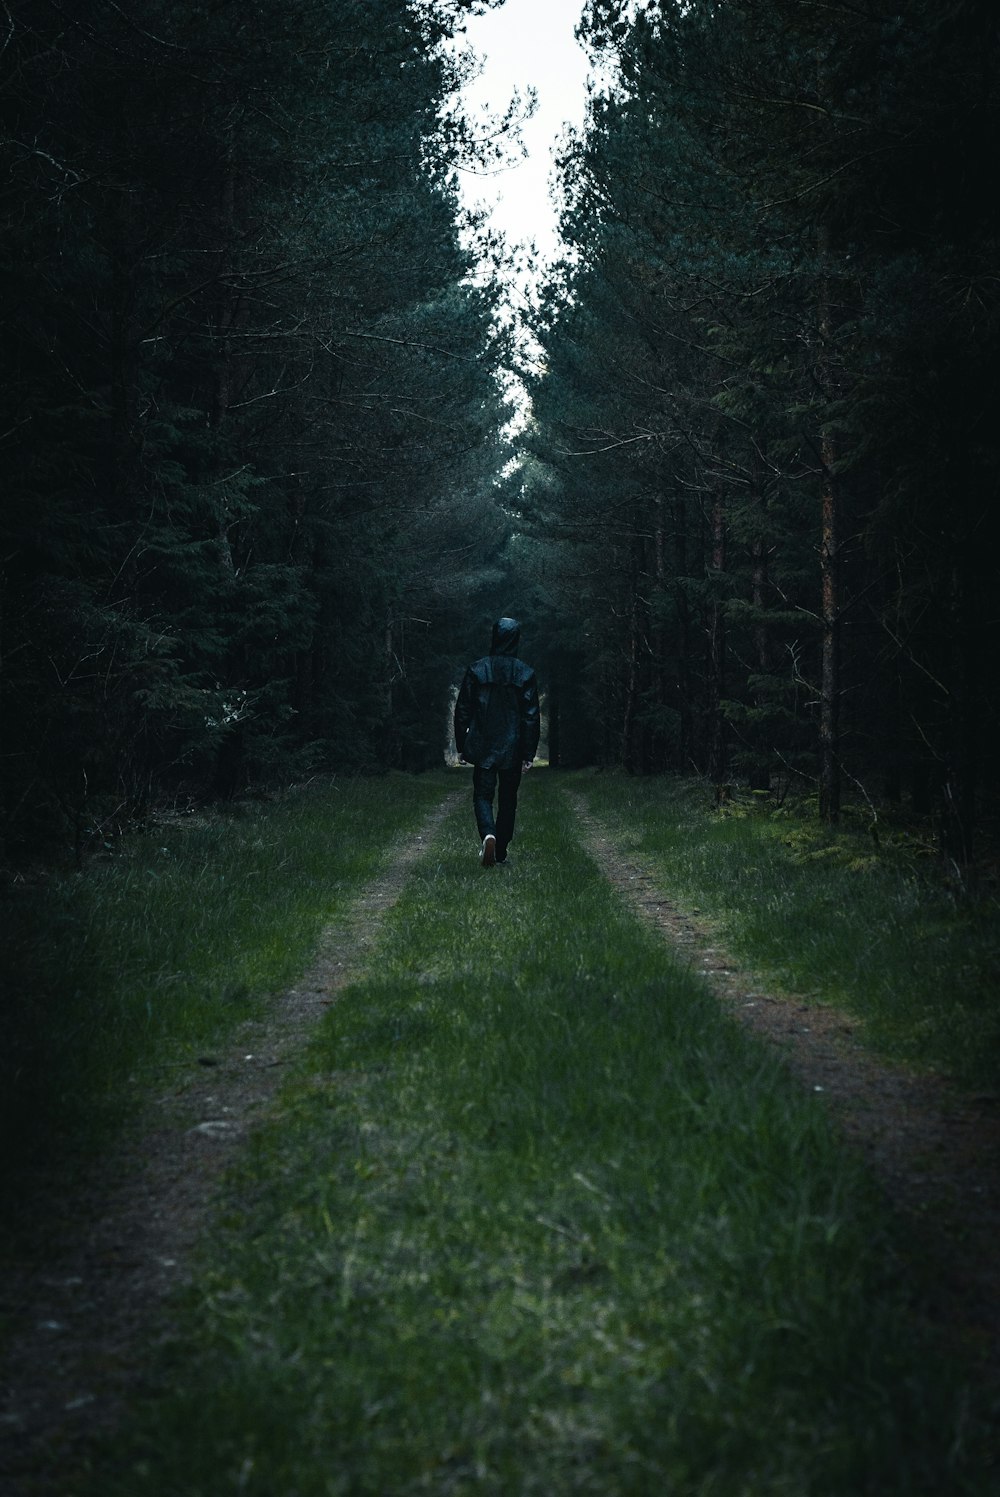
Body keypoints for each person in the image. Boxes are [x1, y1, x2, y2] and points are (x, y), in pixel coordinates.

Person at [454, 617, 540, 867]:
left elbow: (462, 710)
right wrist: (528, 752)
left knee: (482, 795)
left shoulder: (478, 669)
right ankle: (500, 851)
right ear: (516, 639)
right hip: (512, 748)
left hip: (483, 745)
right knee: (508, 799)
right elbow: (531, 717)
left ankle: (488, 834)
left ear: (494, 637)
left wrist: (463, 745)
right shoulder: (525, 673)